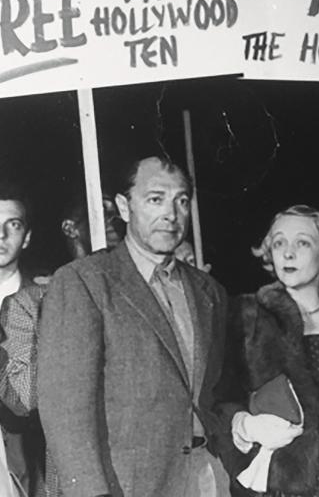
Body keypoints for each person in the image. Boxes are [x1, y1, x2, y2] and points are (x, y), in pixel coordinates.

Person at [38, 156, 233, 497]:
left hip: (204, 476)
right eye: (155, 199)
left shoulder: (209, 292)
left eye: (182, 201)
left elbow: (216, 393)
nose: (171, 214)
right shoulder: (84, 282)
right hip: (126, 485)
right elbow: (66, 412)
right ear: (124, 207)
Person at [221, 205, 319, 496]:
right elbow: (224, 397)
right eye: (279, 242)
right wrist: (244, 425)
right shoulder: (248, 315)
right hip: (280, 486)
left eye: (302, 243)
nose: (288, 253)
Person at [0, 183, 45, 495]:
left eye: (12, 225)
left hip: (28, 464)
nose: (0, 235)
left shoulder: (47, 300)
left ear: (26, 237)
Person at [58, 193, 123, 263]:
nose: (115, 219)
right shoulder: (65, 273)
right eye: (102, 213)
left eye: (116, 213)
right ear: (69, 229)